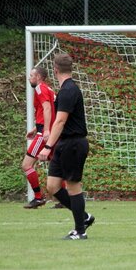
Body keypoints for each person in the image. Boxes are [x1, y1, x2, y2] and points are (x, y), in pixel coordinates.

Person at [38, 53, 95, 240]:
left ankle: (80, 230)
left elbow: (60, 120)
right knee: (53, 186)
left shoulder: (69, 90)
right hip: (64, 143)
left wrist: (47, 146)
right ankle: (84, 217)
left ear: (55, 70)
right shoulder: (65, 90)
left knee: (73, 186)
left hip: (73, 143)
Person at [21, 66, 56, 209]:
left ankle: (38, 197)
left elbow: (47, 109)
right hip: (47, 131)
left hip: (45, 134)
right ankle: (65, 198)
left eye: (31, 75)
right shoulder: (49, 89)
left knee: (27, 165)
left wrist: (45, 130)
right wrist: (36, 128)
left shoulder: (40, 88)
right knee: (57, 164)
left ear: (39, 77)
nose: (29, 78)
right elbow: (47, 110)